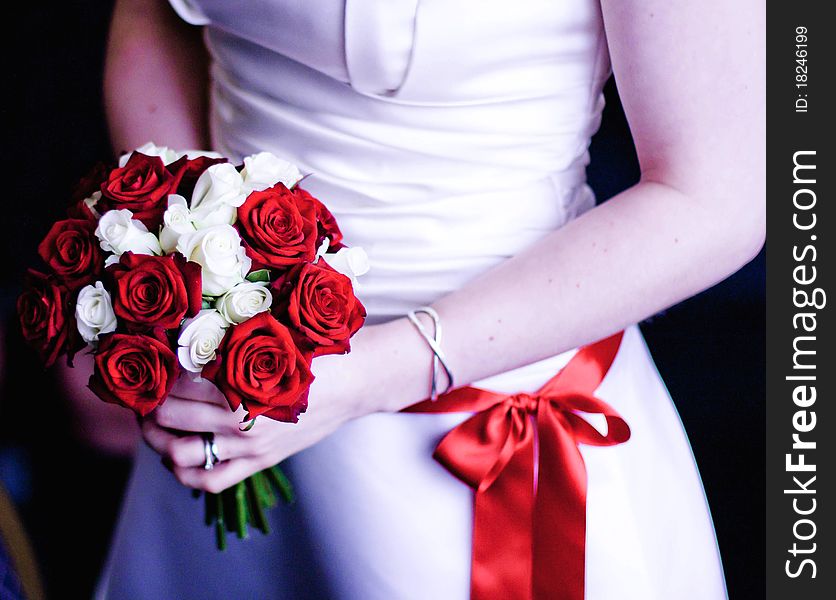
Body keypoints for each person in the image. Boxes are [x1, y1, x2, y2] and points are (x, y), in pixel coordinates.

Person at [93, 0, 764, 598]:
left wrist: (359, 379)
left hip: (471, 427)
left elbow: (718, 200)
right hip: (230, 406)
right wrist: (190, 283)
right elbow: (154, 19)